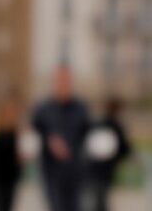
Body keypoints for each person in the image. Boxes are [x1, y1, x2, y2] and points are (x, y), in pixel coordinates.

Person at [32, 66, 90, 211]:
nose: (63, 84)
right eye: (60, 80)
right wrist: (48, 141)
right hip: (51, 172)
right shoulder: (42, 109)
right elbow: (31, 135)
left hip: (76, 171)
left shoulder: (80, 108)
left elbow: (89, 135)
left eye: (66, 80)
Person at [87, 98, 132, 211]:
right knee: (100, 201)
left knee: (97, 199)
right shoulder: (114, 126)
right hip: (105, 170)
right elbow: (125, 148)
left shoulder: (96, 124)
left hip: (93, 169)